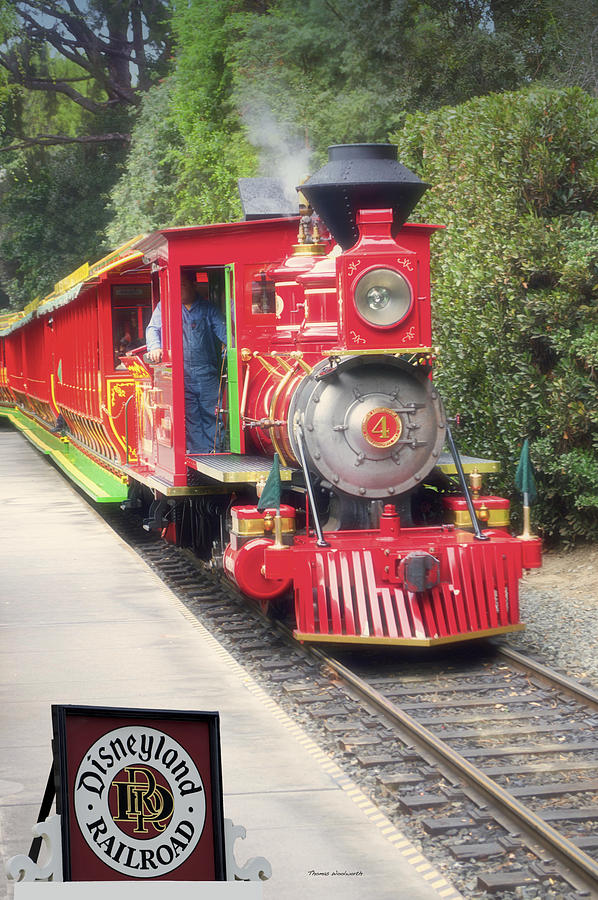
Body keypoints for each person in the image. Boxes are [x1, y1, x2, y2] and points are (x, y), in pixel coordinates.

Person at [146, 272, 227, 453]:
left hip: (206, 370)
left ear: (193, 285)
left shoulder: (208, 309)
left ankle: (215, 452)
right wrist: (155, 347)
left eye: (182, 285)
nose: (177, 290)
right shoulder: (165, 307)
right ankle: (199, 454)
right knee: (191, 416)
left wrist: (235, 348)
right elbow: (152, 329)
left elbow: (224, 333)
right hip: (181, 373)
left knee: (212, 412)